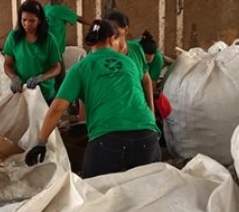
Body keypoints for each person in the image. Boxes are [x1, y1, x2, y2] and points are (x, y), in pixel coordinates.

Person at [25, 19, 161, 178]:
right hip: (147, 136)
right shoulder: (129, 62)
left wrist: (41, 142)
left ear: (91, 42)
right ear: (112, 39)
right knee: (145, 193)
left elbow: (57, 108)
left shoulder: (81, 67)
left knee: (93, 191)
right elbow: (138, 87)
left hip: (108, 139)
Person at [4, 0, 61, 104]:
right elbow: (7, 64)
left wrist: (41, 78)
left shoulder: (49, 39)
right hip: (22, 92)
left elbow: (57, 67)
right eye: (24, 20)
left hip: (44, 93)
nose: (27, 24)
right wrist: (14, 77)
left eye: (32, 21)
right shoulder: (14, 37)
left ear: (39, 21)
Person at [103, 10, 154, 113]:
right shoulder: (98, 54)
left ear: (126, 30)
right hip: (109, 115)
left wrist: (151, 111)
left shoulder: (136, 50)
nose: (111, 35)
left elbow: (145, 80)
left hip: (136, 112)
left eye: (116, 31)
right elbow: (86, 86)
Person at [44, 0, 90, 88]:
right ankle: (62, 100)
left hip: (43, 48)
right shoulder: (60, 9)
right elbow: (79, 19)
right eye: (61, 0)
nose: (62, 2)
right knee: (60, 78)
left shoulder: (44, 9)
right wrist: (93, 23)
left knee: (48, 77)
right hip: (55, 50)